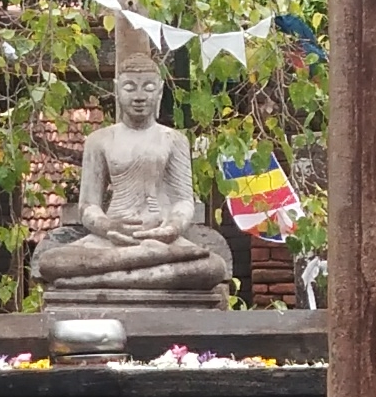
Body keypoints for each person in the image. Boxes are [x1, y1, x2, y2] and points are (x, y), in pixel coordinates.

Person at [30, 67, 233, 308]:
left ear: (159, 92)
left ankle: (96, 280)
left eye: (148, 88)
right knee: (51, 262)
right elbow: (88, 205)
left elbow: (183, 200)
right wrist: (107, 226)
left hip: (160, 238)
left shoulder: (173, 139)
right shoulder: (100, 140)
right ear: (116, 90)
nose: (139, 96)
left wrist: (172, 227)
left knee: (212, 268)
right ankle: (141, 266)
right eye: (130, 87)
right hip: (113, 239)